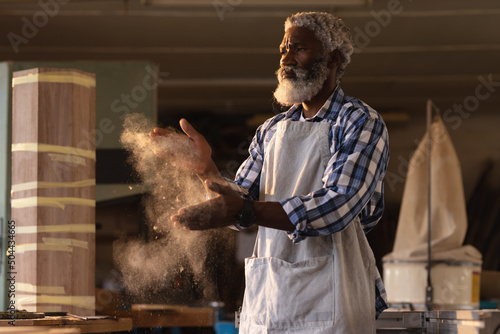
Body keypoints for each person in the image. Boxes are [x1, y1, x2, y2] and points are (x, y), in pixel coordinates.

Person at [150, 11, 390, 334]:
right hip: (273, 301)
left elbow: (338, 205)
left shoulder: (359, 122)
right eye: (283, 50)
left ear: (332, 59)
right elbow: (238, 208)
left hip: (334, 299)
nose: (286, 59)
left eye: (298, 49)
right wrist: (206, 170)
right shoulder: (271, 130)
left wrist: (248, 210)